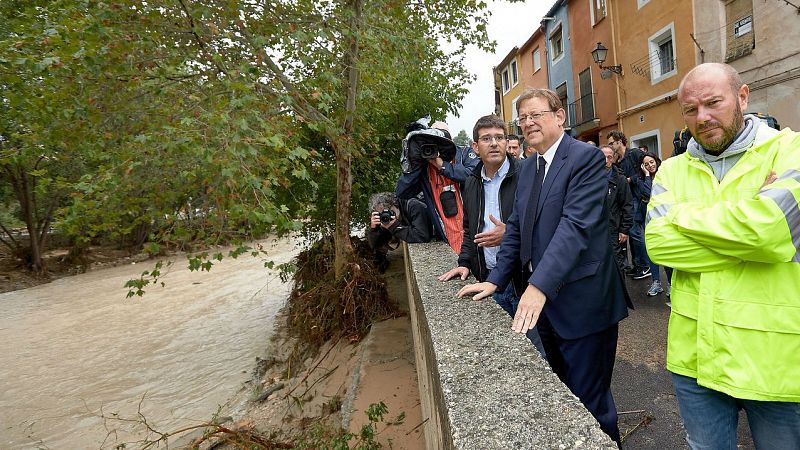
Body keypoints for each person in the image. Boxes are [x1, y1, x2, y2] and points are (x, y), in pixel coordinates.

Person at [458, 88, 631, 444]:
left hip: (585, 305)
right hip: (548, 308)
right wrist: (495, 280)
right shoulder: (531, 166)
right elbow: (518, 226)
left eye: (535, 114)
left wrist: (537, 286)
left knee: (591, 405)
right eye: (522, 118)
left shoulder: (585, 159)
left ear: (559, 117)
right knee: (562, 398)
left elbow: (575, 228)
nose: (528, 123)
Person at [645, 62, 800, 449]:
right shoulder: (671, 170)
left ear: (742, 96)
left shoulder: (790, 150)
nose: (703, 117)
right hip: (695, 357)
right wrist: (750, 227)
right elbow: (659, 245)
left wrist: (682, 216)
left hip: (774, 358)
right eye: (691, 109)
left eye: (714, 103)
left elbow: (772, 231)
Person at [437, 115, 545, 355]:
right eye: (486, 138)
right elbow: (469, 229)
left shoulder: (527, 175)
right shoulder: (472, 182)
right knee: (502, 353)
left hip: (524, 283)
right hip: (489, 281)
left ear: (507, 143)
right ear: (475, 147)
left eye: (499, 137)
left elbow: (546, 226)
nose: (494, 143)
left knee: (537, 355)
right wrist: (465, 262)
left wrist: (510, 233)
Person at [395, 121, 480, 253]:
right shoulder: (425, 167)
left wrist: (443, 166)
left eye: (441, 137)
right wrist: (415, 165)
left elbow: (473, 175)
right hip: (448, 238)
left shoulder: (464, 153)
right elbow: (403, 192)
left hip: (474, 233)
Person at [607, 130, 650, 279]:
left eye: (612, 143)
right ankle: (637, 265)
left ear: (620, 141)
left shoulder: (635, 154)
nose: (610, 146)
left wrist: (631, 179)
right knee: (632, 234)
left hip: (639, 198)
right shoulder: (619, 161)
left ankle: (645, 266)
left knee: (636, 233)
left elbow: (650, 166)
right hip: (629, 199)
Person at [631, 152, 673, 298]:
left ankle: (671, 284)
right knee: (652, 251)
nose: (650, 165)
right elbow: (647, 192)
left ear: (656, 160)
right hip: (649, 219)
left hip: (665, 218)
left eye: (651, 162)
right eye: (646, 164)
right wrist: (647, 175)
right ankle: (656, 282)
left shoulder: (665, 174)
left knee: (666, 252)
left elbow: (650, 194)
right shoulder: (641, 179)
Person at [367, 192, 432, 271]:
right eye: (382, 213)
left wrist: (394, 226)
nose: (386, 215)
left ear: (396, 204)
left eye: (388, 210)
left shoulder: (413, 206)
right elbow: (375, 245)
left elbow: (422, 237)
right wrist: (374, 229)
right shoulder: (387, 219)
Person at [601, 145, 633, 272]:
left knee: (617, 263)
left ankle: (619, 291)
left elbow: (627, 205)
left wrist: (624, 229)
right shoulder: (590, 177)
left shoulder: (620, 179)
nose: (606, 160)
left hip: (614, 228)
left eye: (609, 157)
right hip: (596, 229)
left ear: (613, 158)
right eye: (603, 157)